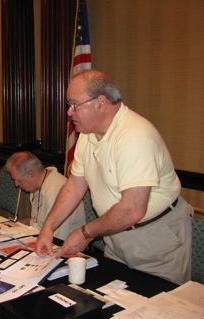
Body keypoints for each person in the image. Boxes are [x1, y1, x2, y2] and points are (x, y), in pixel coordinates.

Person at [35, 69, 193, 285]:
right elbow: (74, 185)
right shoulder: (87, 135)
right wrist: (48, 227)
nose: (69, 113)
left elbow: (133, 208)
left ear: (100, 102)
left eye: (74, 105)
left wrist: (85, 233)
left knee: (157, 306)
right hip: (114, 236)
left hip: (154, 238)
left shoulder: (135, 137)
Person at [5, 151, 85, 240]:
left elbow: (56, 239)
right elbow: (40, 222)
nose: (16, 184)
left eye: (19, 180)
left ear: (31, 174)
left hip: (64, 246)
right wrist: (23, 223)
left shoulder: (55, 192)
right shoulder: (37, 185)